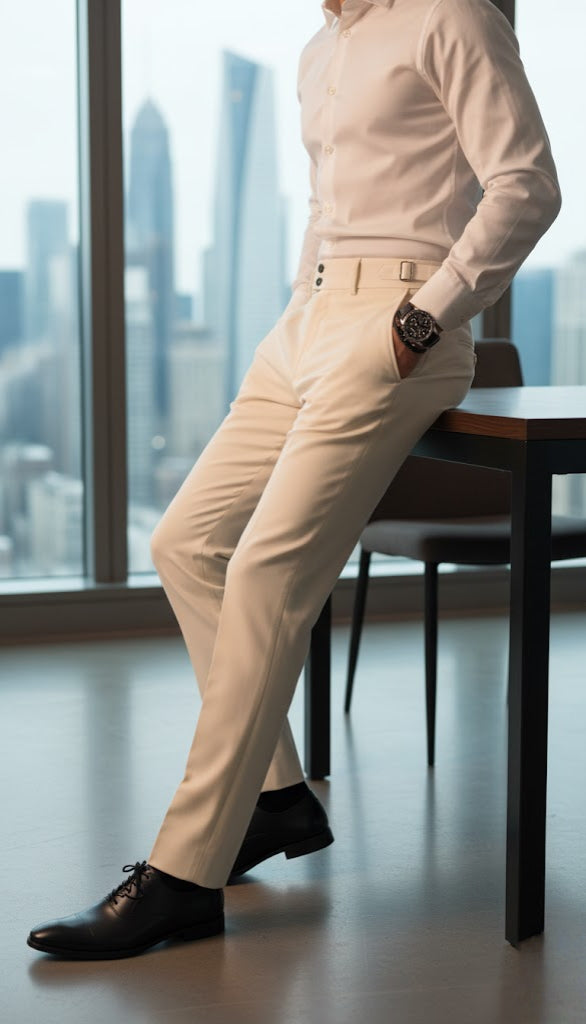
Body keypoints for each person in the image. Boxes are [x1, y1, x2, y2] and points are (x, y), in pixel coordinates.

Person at [28, 0, 561, 959]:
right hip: (303, 324)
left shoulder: (451, 15)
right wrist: (294, 320)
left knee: (270, 575)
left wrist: (423, 319)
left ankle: (184, 875)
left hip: (400, 320)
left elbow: (527, 184)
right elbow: (327, 208)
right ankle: (276, 798)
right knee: (184, 541)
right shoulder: (324, 46)